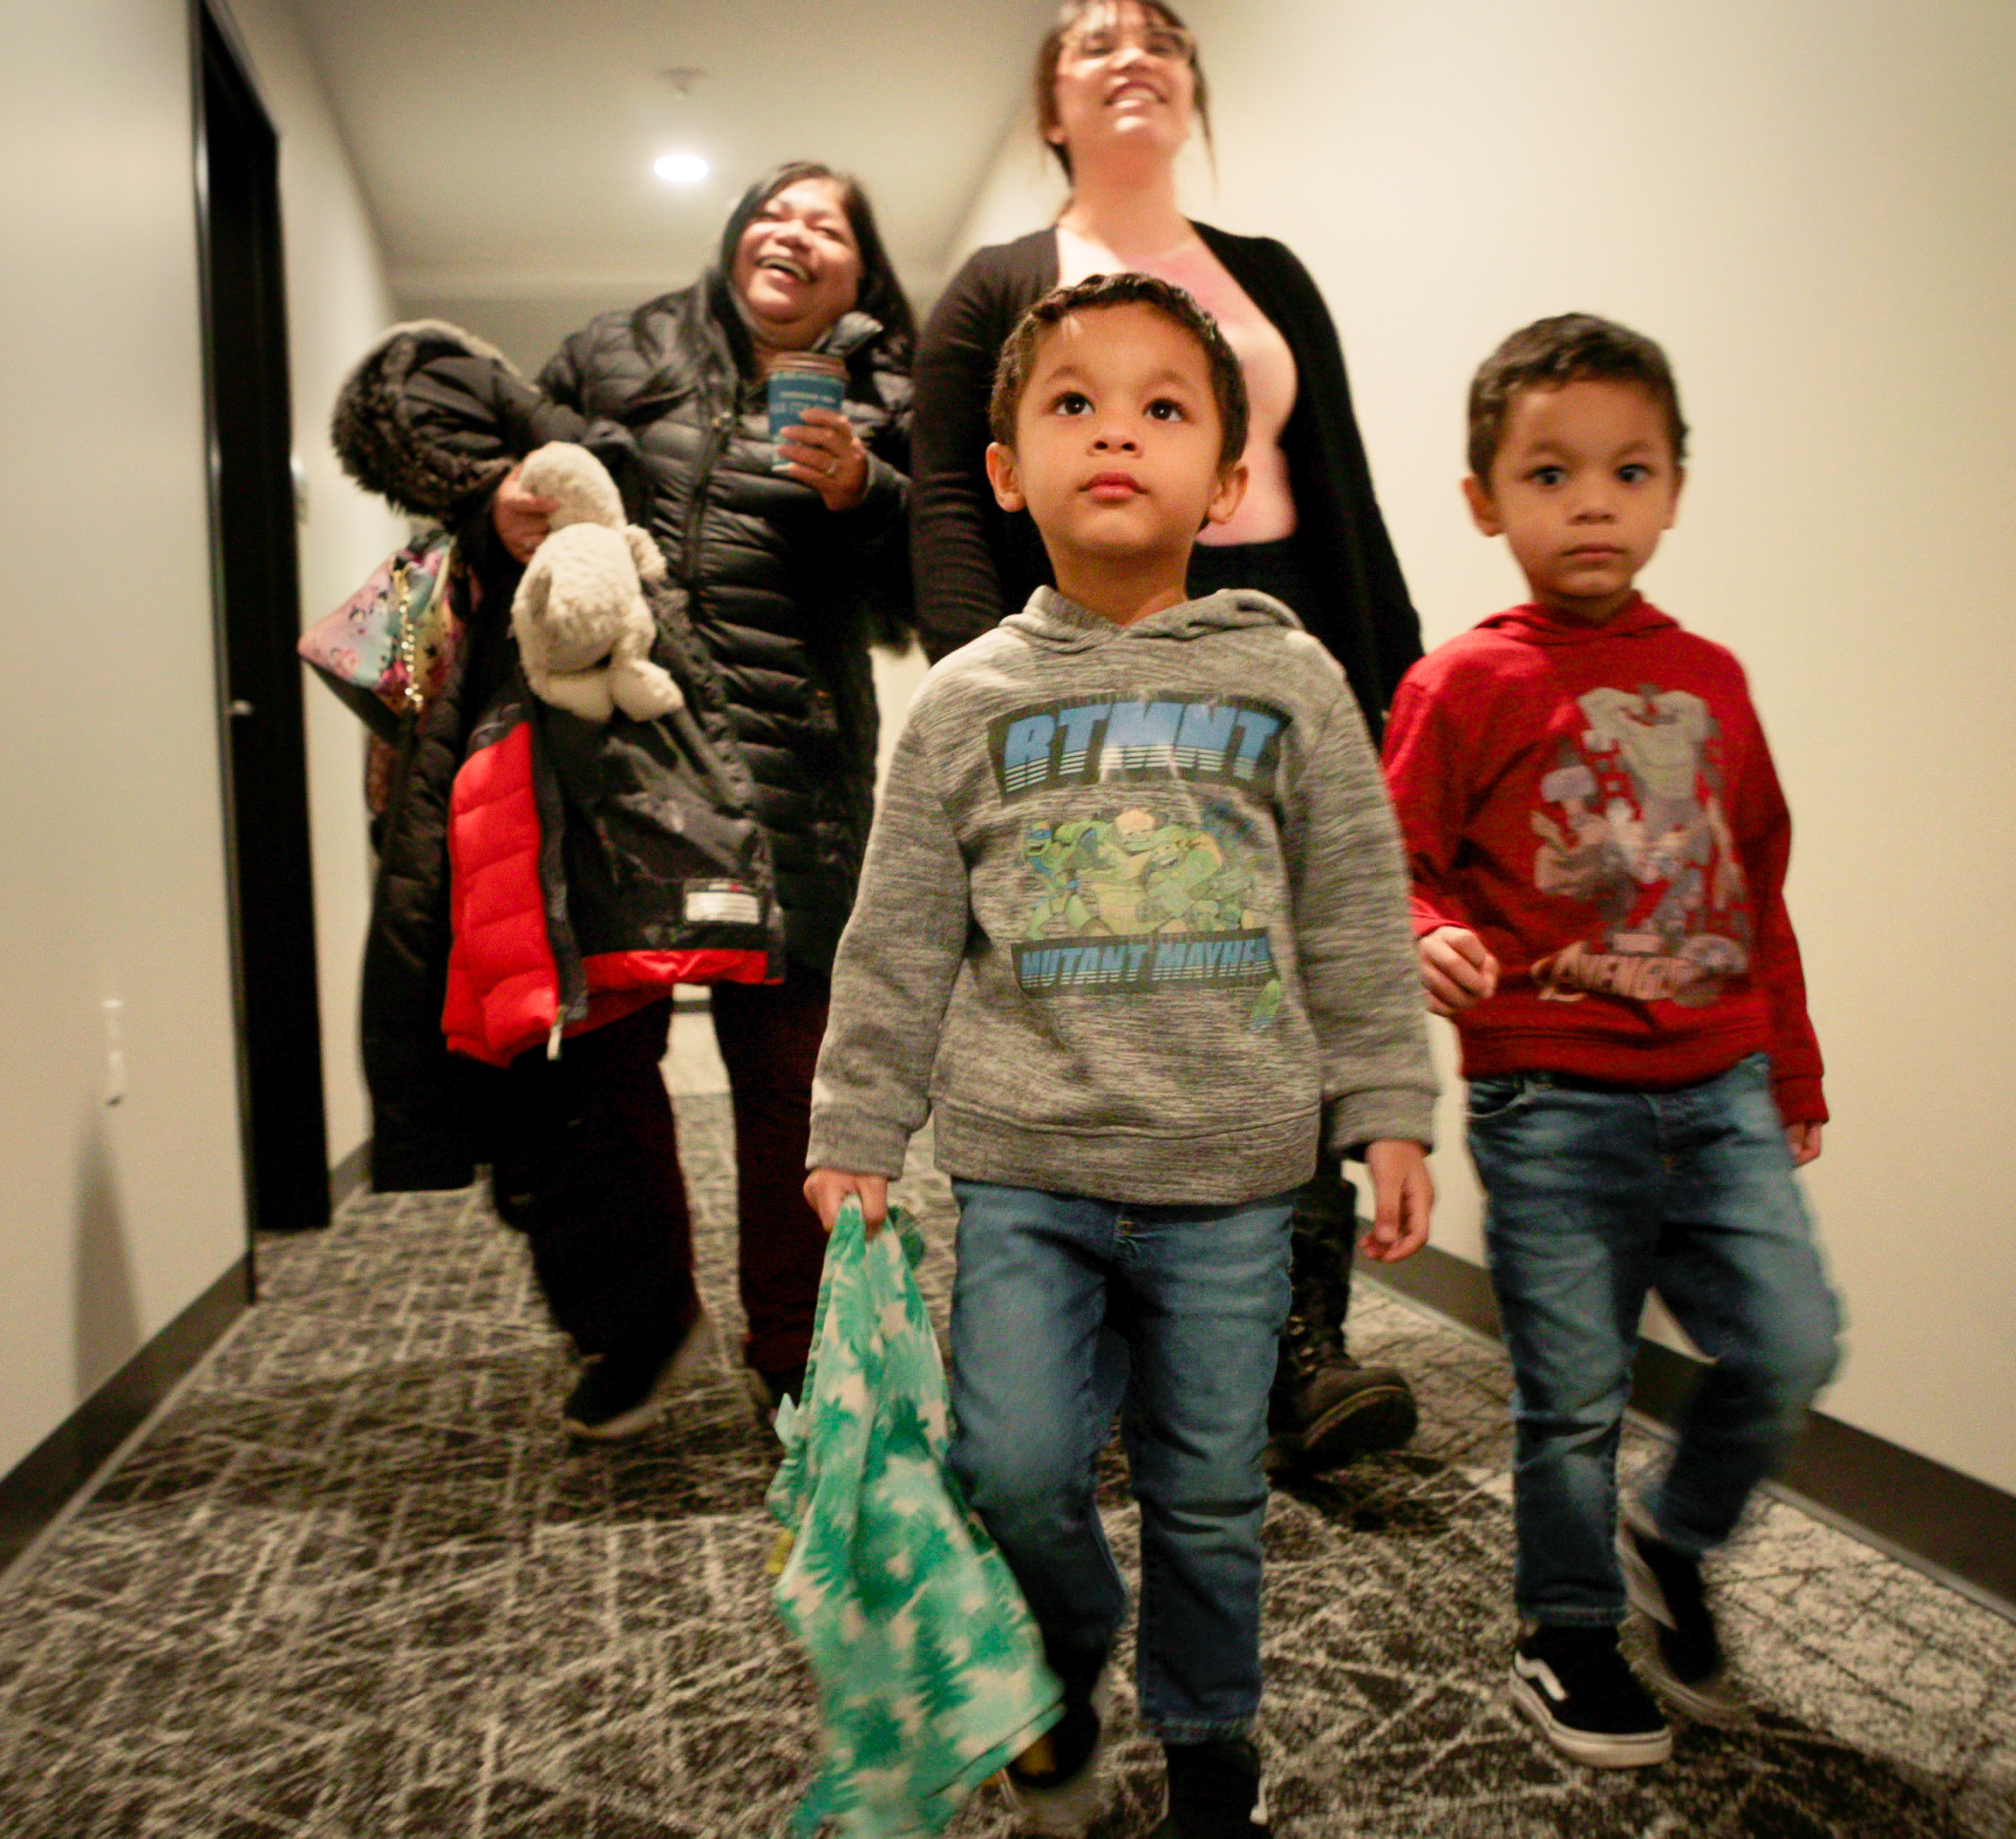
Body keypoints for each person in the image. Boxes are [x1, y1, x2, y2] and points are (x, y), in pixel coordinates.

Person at [806, 274, 1435, 1839]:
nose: (1117, 434)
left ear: (1225, 481)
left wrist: (1389, 1110)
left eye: (1165, 408)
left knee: (1211, 1491)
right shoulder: (964, 704)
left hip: (1232, 1177)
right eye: (1074, 404)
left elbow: (1358, 907)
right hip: (1026, 1171)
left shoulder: (1288, 681)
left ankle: (1214, 1741)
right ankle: (1062, 1660)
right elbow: (895, 937)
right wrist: (857, 1122)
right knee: (1014, 1470)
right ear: (1007, 468)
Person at [910, 0, 1425, 1473]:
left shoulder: (1268, 280)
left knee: (1287, 968)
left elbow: (1347, 495)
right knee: (1139, 956)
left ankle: (1298, 1336)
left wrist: (1404, 705)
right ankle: (1110, 1307)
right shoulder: (996, 286)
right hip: (1080, 646)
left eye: (1160, 36)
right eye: (1091, 39)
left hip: (1277, 633)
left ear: (1192, 91)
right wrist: (996, 690)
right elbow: (950, 500)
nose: (1131, 52)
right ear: (1048, 107)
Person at [1381, 315, 1844, 1767]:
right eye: (1551, 473)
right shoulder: (1462, 681)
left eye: (1629, 471)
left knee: (1789, 1343)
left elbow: (1756, 876)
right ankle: (1567, 1628)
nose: (1593, 501)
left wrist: (1796, 1066)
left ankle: (1673, 1535)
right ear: (1484, 501)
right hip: (1552, 1097)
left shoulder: (1713, 676)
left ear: (1674, 491)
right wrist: (1418, 928)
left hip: (1721, 1087)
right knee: (1570, 1391)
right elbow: (1387, 859)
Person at [485, 161, 921, 1432]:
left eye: (827, 223)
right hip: (612, 757)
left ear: (859, 271)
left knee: (794, 1077)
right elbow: (519, 482)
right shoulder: (616, 350)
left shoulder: (889, 391)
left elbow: (920, 599)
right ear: (737, 240)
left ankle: (793, 1343)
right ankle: (642, 1318)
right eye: (774, 211)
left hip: (798, 764)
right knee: (603, 1063)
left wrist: (860, 489)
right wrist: (507, 508)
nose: (793, 233)